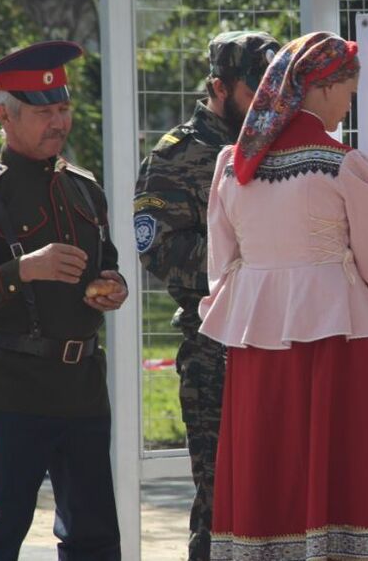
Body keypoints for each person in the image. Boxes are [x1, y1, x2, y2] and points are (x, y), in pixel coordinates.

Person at [198, 31, 368, 560]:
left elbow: (222, 262)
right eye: (347, 91)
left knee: (265, 451)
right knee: (342, 453)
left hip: (255, 337)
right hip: (332, 333)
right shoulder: (342, 163)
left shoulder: (232, 163)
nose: (348, 105)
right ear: (321, 87)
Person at [0, 40, 128, 561]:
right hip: (15, 386)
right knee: (3, 529)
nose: (58, 122)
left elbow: (106, 260)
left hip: (82, 384)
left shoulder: (85, 188)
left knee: (95, 535)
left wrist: (112, 286)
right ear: (5, 114)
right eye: (44, 112)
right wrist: (24, 269)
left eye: (63, 109)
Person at [133, 30, 280, 561]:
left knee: (286, 498)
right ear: (219, 87)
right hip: (215, 351)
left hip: (283, 342)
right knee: (222, 504)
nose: (266, 101)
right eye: (254, 89)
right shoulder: (177, 156)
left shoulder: (282, 143)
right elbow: (160, 250)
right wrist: (249, 262)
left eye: (274, 87)